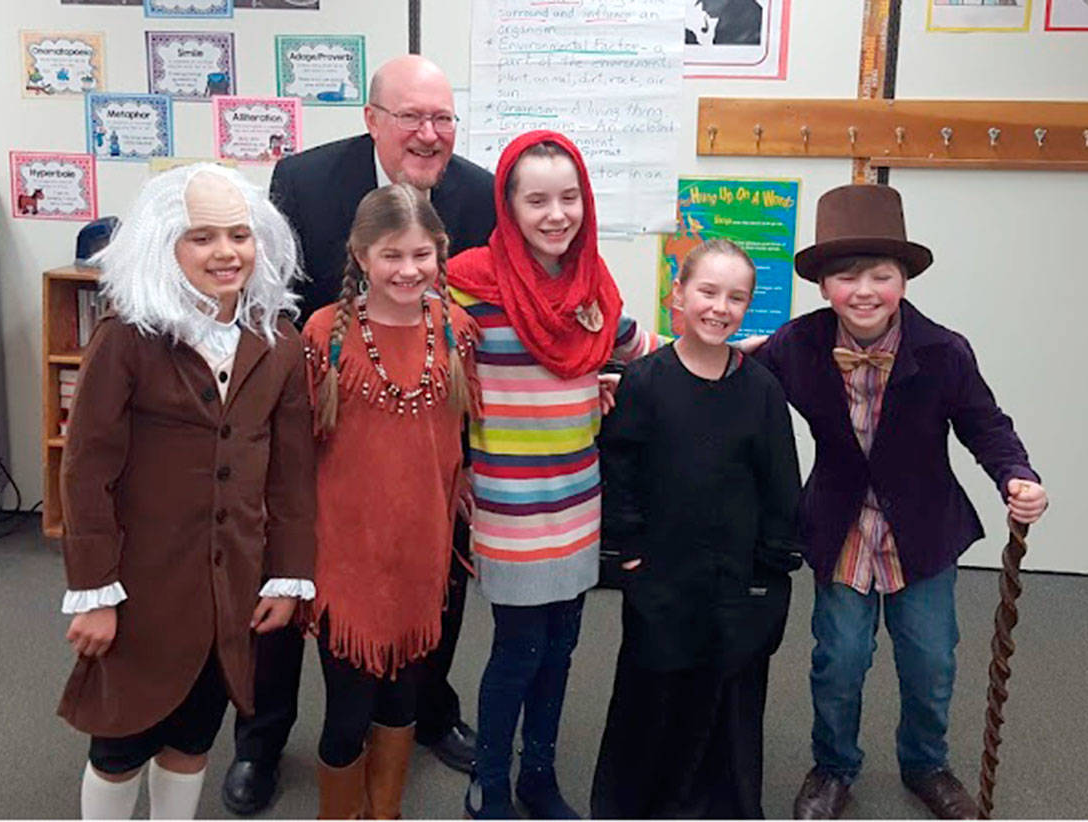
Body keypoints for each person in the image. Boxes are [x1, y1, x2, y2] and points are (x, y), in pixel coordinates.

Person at [223, 55, 495, 814]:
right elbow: (269, 305)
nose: (429, 134)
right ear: (373, 119)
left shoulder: (478, 193)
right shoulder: (305, 182)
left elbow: (498, 307)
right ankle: (262, 740)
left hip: (424, 451)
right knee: (291, 591)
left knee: (430, 593)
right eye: (411, 117)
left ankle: (429, 711)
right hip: (326, 434)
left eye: (442, 118)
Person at [751, 184, 1049, 820]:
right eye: (846, 276)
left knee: (930, 660)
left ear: (904, 281)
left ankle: (926, 764)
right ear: (823, 286)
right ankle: (833, 766)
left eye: (881, 276)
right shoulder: (795, 346)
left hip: (923, 528)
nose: (864, 291)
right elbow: (739, 389)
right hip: (839, 524)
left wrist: (1016, 474)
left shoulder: (944, 352)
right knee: (839, 660)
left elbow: (986, 425)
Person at [57, 164, 316, 820]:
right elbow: (85, 470)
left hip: (231, 586)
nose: (225, 252)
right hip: (140, 584)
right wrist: (95, 591)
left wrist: (286, 575)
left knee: (193, 737)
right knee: (120, 743)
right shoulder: (128, 337)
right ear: (164, 245)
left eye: (239, 235)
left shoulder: (278, 342)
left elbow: (291, 474)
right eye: (202, 238)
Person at [447, 130, 659, 819]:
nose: (557, 214)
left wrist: (736, 351)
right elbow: (429, 373)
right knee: (518, 649)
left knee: (562, 646)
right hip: (507, 502)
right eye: (536, 200)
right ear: (508, 205)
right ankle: (490, 783)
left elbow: (644, 348)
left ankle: (537, 776)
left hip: (576, 498)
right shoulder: (468, 287)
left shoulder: (590, 284)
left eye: (569, 197)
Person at [590, 240, 801, 819]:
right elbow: (621, 467)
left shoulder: (761, 389)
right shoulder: (645, 381)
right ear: (678, 294)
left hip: (735, 579)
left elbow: (781, 482)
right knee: (653, 694)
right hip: (661, 575)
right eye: (707, 292)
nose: (719, 308)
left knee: (728, 697)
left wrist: (772, 567)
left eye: (736, 298)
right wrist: (629, 549)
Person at [301, 183, 480, 819]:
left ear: (441, 252)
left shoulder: (456, 331)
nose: (408, 270)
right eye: (391, 256)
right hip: (347, 559)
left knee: (403, 701)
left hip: (420, 558)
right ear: (360, 255)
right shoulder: (325, 334)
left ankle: (385, 811)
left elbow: (457, 435)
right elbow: (297, 449)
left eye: (421, 254)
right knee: (347, 714)